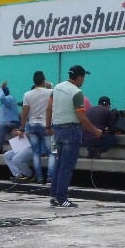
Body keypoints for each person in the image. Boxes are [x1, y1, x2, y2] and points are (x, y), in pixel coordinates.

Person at [47, 65, 103, 208]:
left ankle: (54, 195)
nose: (83, 80)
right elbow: (81, 117)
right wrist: (95, 131)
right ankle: (62, 197)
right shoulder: (77, 92)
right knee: (67, 166)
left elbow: (49, 107)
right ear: (78, 77)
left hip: (57, 129)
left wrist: (48, 126)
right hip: (71, 130)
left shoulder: (57, 88)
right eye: (83, 77)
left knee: (59, 165)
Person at [20, 71, 53, 183]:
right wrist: (50, 86)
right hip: (46, 125)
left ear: (33, 82)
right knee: (52, 153)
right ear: (44, 80)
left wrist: (22, 128)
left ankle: (39, 177)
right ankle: (50, 177)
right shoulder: (51, 92)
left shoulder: (27, 94)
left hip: (32, 125)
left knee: (35, 153)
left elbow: (24, 113)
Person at [0, 81, 20, 152]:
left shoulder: (10, 98)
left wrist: (0, 88)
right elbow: (3, 117)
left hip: (13, 124)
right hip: (4, 124)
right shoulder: (3, 104)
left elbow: (2, 98)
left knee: (2, 126)